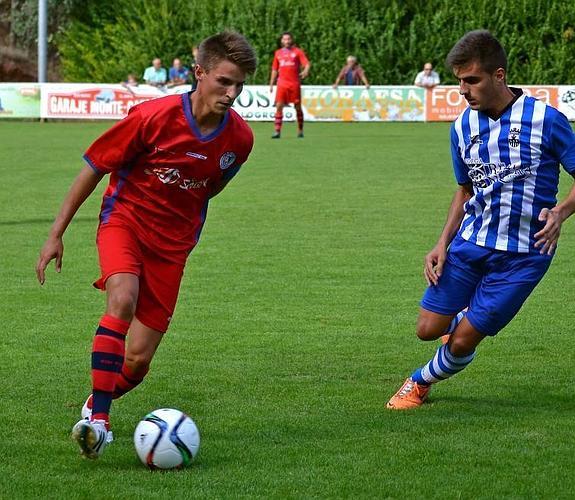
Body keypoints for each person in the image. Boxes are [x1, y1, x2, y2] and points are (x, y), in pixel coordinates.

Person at [36, 31, 257, 458]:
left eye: (240, 85)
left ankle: (96, 398)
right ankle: (98, 422)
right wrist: (55, 233)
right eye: (224, 82)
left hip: (173, 248)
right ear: (199, 74)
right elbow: (93, 167)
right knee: (122, 298)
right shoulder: (151, 117)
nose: (232, 93)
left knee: (137, 362)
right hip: (125, 221)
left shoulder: (240, 141)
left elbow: (211, 188)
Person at [386, 30, 575, 410]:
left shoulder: (546, 120)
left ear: (499, 76)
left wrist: (561, 213)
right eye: (459, 81)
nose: (463, 90)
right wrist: (441, 243)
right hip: (470, 243)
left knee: (461, 341)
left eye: (471, 80)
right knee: (428, 330)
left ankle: (419, 382)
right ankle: (461, 313)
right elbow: (465, 189)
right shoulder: (462, 127)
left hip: (524, 254)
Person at [269, 32, 310, 139]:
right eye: (284, 39)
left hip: (294, 83)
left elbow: (306, 63)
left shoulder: (297, 52)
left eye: (288, 39)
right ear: (282, 41)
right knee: (279, 106)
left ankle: (300, 130)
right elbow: (274, 69)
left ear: (291, 40)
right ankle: (277, 131)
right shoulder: (278, 53)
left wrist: (306, 70)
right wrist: (271, 83)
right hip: (282, 84)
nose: (286, 41)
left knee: (297, 107)